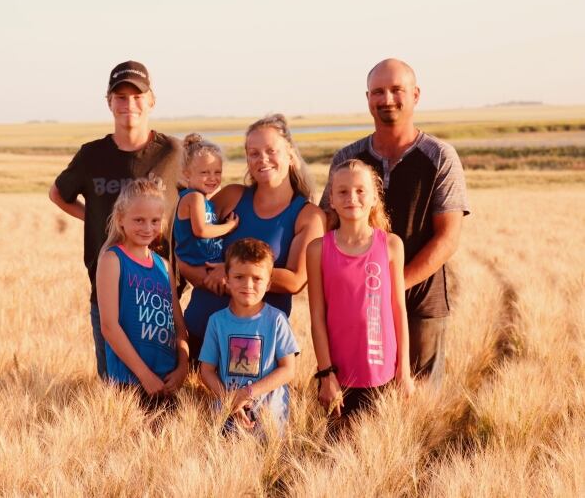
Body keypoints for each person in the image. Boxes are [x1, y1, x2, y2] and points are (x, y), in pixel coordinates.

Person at [319, 58, 469, 378]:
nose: (387, 99)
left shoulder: (440, 157)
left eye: (396, 90)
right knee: (357, 399)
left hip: (421, 304)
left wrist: (392, 288)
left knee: (419, 405)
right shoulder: (347, 159)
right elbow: (326, 223)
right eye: (378, 91)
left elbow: (447, 238)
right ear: (368, 99)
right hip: (355, 306)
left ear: (415, 95)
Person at [49, 60, 182, 379]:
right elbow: (58, 194)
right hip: (109, 289)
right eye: (120, 97)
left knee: (163, 386)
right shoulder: (91, 155)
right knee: (116, 383)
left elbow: (198, 199)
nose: (129, 104)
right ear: (109, 102)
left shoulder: (173, 152)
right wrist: (99, 221)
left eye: (137, 96)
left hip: (161, 291)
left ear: (151, 100)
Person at [179, 114, 326, 361]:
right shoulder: (230, 196)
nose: (262, 159)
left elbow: (295, 280)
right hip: (199, 333)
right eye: (253, 153)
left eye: (271, 150)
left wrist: (229, 272)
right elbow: (185, 250)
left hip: (255, 347)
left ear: (290, 155)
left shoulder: (309, 216)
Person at [307, 159, 414, 417]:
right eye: (342, 191)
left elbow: (398, 310)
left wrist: (404, 370)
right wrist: (326, 373)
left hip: (383, 370)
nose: (351, 198)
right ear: (331, 198)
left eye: (360, 191)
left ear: (375, 197)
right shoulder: (318, 249)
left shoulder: (391, 245)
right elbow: (317, 317)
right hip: (338, 373)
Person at [96, 178, 189, 403]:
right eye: (139, 220)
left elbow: (178, 324)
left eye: (155, 221)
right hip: (130, 381)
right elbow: (109, 326)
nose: (148, 228)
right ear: (121, 219)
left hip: (167, 379)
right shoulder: (113, 259)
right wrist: (144, 375)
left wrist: (183, 368)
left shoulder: (164, 266)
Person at [199, 238, 299, 431]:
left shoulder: (276, 320)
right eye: (239, 277)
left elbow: (288, 369)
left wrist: (248, 392)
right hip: (228, 416)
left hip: (270, 418)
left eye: (257, 278)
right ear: (226, 279)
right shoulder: (217, 322)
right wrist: (230, 400)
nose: (248, 285)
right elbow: (207, 371)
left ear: (269, 283)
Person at [173, 133, 239, 268]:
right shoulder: (194, 197)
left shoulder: (202, 198)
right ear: (187, 174)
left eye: (217, 172)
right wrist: (230, 226)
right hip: (200, 265)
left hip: (210, 262)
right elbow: (201, 231)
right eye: (204, 172)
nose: (212, 178)